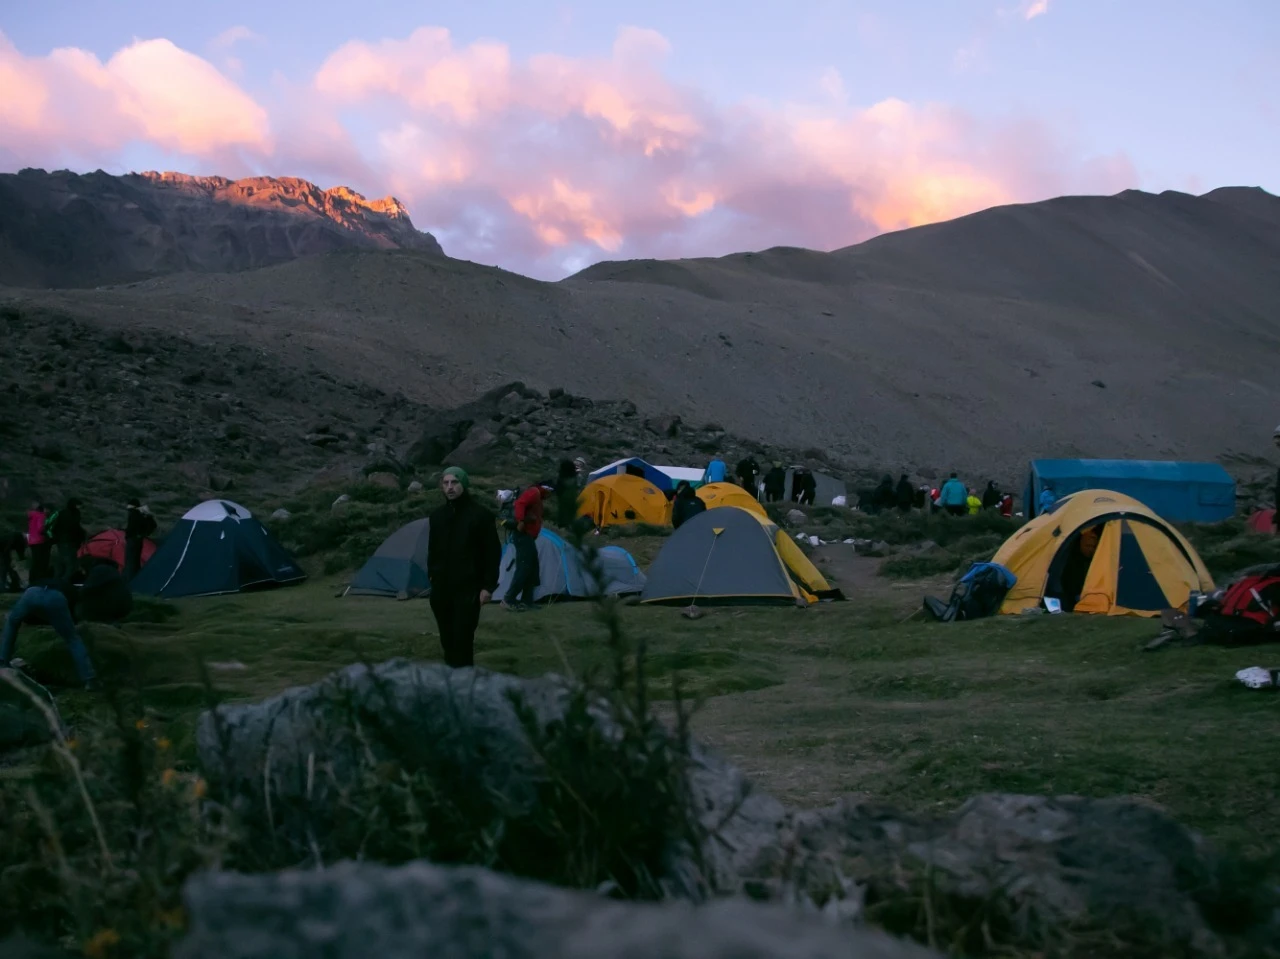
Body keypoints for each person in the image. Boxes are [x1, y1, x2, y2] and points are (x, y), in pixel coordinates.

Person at [426, 467, 501, 668]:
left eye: (455, 482)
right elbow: (432, 549)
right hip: (441, 589)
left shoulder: (481, 515)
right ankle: (451, 683)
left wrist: (488, 586)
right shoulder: (437, 517)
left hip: (468, 588)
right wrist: (432, 575)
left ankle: (465, 684)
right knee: (447, 639)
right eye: (446, 483)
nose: (450, 487)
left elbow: (492, 553)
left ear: (464, 485)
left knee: (463, 639)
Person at [0, 572, 114, 690]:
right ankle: (89, 679)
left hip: (31, 593)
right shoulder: (72, 591)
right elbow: (73, 614)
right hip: (56, 598)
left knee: (12, 623)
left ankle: (3, 661)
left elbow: (32, 611)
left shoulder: (46, 581)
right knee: (73, 639)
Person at [503, 481, 554, 611]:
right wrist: (520, 521)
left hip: (528, 537)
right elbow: (520, 503)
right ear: (546, 489)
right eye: (550, 492)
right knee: (524, 566)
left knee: (531, 567)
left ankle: (527, 601)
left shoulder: (537, 497)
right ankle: (508, 599)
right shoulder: (534, 492)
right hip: (523, 535)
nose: (550, 496)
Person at [49, 498, 85, 578]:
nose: (80, 507)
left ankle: (57, 580)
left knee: (62, 562)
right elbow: (74, 527)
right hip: (68, 541)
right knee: (70, 564)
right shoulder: (72, 514)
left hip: (64, 541)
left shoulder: (62, 513)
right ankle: (65, 582)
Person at [123, 498, 157, 581]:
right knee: (136, 560)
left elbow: (131, 528)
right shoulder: (143, 514)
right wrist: (144, 534)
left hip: (132, 540)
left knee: (130, 561)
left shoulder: (134, 514)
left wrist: (127, 534)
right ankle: (136, 578)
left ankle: (130, 580)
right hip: (139, 540)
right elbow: (153, 525)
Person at [27, 502, 51, 581]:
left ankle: (32, 579)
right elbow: (40, 528)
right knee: (41, 562)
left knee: (35, 562)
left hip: (31, 541)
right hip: (39, 541)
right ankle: (40, 579)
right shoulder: (41, 516)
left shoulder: (32, 516)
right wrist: (47, 532)